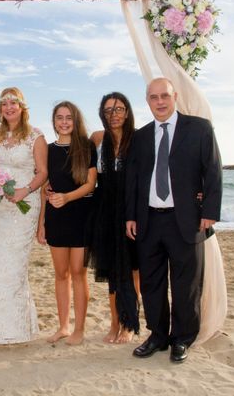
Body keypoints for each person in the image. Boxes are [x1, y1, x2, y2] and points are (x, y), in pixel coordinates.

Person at [126, 77, 223, 363]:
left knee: (186, 284)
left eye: (164, 96)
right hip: (148, 221)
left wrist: (209, 212)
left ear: (175, 96)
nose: (160, 102)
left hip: (187, 220)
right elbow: (133, 180)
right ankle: (157, 335)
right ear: (148, 101)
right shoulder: (141, 137)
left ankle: (182, 338)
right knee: (151, 284)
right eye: (154, 97)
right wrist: (130, 215)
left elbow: (214, 171)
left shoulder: (199, 129)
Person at [0, 87, 48, 344]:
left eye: (13, 102)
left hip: (23, 208)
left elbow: (42, 172)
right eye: (4, 103)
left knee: (13, 268)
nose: (8, 107)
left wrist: (24, 190)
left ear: (22, 106)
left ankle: (16, 330)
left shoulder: (35, 136)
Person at [36, 102, 97, 346]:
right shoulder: (49, 150)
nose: (64, 122)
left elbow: (90, 184)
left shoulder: (87, 147)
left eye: (68, 117)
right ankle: (63, 327)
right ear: (54, 121)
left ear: (76, 120)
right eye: (59, 118)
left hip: (81, 216)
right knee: (60, 274)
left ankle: (79, 329)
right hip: (56, 218)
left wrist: (67, 197)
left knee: (78, 273)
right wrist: (41, 224)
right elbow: (44, 190)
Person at [87, 92, 141, 344]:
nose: (114, 114)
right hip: (105, 211)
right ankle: (115, 323)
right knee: (110, 271)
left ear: (127, 111)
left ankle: (130, 323)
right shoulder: (97, 139)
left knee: (132, 271)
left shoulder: (139, 139)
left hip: (132, 211)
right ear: (102, 114)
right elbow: (82, 171)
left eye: (119, 109)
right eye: (108, 110)